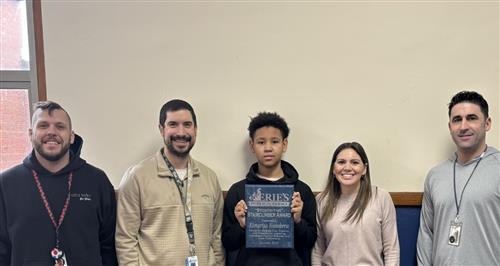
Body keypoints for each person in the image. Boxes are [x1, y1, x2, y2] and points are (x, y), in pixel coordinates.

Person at [0, 101, 118, 265]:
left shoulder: (97, 180)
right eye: (43, 126)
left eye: (60, 126)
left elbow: (109, 246)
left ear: (71, 136)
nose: (51, 132)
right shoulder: (6, 184)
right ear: (30, 134)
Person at [115, 99, 225, 265]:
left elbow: (216, 237)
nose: (181, 132)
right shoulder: (137, 177)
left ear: (195, 129)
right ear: (161, 129)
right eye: (173, 124)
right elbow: (126, 239)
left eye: (187, 125)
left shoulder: (209, 177)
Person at [417, 91, 500, 265]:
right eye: (457, 120)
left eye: (471, 118)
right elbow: (426, 234)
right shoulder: (435, 176)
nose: (463, 126)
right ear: (450, 126)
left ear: (487, 123)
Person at [222, 112, 317, 266]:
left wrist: (298, 221)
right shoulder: (239, 191)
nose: (268, 148)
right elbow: (228, 243)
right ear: (252, 146)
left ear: (284, 144)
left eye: (274, 141)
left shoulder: (301, 190)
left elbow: (309, 242)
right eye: (261, 142)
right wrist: (241, 225)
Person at [311, 142, 400, 266]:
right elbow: (318, 251)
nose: (347, 168)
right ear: (333, 169)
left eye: (355, 162)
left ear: (364, 169)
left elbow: (391, 250)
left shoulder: (381, 197)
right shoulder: (322, 200)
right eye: (341, 162)